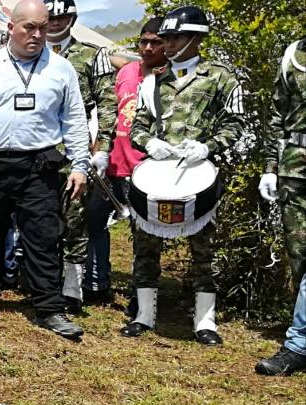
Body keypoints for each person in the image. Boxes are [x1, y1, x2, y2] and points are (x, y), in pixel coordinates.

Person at [0, 0, 90, 340]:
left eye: (43, 27)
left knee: (43, 237)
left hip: (38, 167)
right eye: (29, 27)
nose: (37, 34)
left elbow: (75, 119)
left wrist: (80, 163)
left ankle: (49, 308)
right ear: (11, 28)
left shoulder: (62, 69)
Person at [126, 6, 244, 346]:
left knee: (204, 247)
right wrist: (149, 141)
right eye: (166, 37)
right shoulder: (153, 81)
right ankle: (144, 315)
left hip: (199, 175)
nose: (168, 43)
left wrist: (208, 147)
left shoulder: (222, 77)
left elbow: (236, 124)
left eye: (175, 36)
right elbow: (138, 126)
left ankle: (205, 320)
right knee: (145, 244)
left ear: (196, 38)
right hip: (158, 174)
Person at [42, 0, 117, 313]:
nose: (56, 23)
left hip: (76, 146)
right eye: (51, 17)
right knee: (41, 219)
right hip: (38, 146)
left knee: (76, 221)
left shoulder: (92, 55)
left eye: (63, 17)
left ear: (72, 18)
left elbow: (109, 103)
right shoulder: (32, 52)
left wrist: (103, 147)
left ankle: (73, 290)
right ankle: (42, 283)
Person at [87, 18, 167, 305]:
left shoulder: (169, 79)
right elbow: (112, 112)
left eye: (155, 42)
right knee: (94, 222)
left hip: (144, 167)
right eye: (143, 41)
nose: (147, 47)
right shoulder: (126, 71)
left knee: (143, 236)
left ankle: (141, 297)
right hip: (111, 164)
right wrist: (99, 147)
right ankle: (97, 284)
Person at [256, 37, 306, 376]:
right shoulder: (294, 54)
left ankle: (297, 344)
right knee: (300, 258)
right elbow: (277, 114)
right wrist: (270, 168)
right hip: (295, 170)